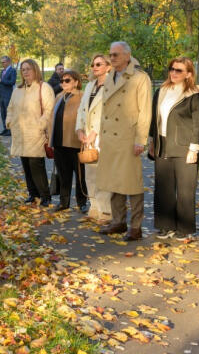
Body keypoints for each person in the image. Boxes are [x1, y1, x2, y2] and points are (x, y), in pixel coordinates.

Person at [98, 41, 152, 241]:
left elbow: (145, 111)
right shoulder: (110, 76)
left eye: (116, 55)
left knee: (132, 184)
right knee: (115, 181)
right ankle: (118, 221)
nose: (112, 58)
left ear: (127, 56)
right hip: (110, 137)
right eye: (110, 55)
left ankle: (136, 226)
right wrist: (100, 135)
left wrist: (141, 140)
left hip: (128, 138)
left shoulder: (139, 78)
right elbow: (104, 109)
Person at [148, 57, 199, 241]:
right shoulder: (162, 91)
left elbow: (198, 123)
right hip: (163, 144)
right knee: (163, 188)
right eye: (172, 69)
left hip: (185, 147)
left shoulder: (194, 93)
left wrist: (194, 148)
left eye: (179, 70)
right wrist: (151, 140)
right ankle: (165, 226)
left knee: (186, 190)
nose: (174, 73)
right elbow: (154, 118)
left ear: (188, 73)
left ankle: (185, 229)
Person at [6, 59, 55, 207]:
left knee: (36, 165)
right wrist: (9, 122)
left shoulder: (43, 87)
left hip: (35, 133)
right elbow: (11, 108)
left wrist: (40, 125)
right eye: (23, 69)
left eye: (28, 69)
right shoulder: (18, 90)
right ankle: (33, 194)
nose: (25, 72)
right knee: (26, 165)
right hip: (20, 133)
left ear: (35, 70)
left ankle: (45, 196)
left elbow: (49, 110)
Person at [76, 54, 113, 224]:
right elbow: (82, 110)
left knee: (103, 175)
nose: (95, 67)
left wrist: (95, 132)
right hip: (87, 137)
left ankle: (106, 212)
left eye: (99, 64)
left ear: (108, 66)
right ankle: (94, 208)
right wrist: (79, 129)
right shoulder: (90, 85)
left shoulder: (112, 85)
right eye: (93, 64)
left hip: (103, 136)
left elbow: (110, 113)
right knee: (89, 174)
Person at [49, 69, 86, 211]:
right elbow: (52, 117)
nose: (63, 83)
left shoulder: (82, 96)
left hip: (75, 142)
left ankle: (82, 203)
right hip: (59, 141)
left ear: (76, 82)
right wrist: (49, 137)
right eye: (62, 80)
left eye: (67, 80)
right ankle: (64, 202)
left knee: (80, 175)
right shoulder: (59, 96)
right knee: (63, 175)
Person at [0, 56, 17, 136]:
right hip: (1, 95)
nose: (2, 64)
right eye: (1, 62)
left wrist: (2, 80)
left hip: (8, 95)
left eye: (3, 62)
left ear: (8, 62)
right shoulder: (3, 71)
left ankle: (9, 130)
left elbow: (12, 82)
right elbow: (3, 82)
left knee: (8, 113)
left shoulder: (12, 71)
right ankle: (5, 129)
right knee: (2, 113)